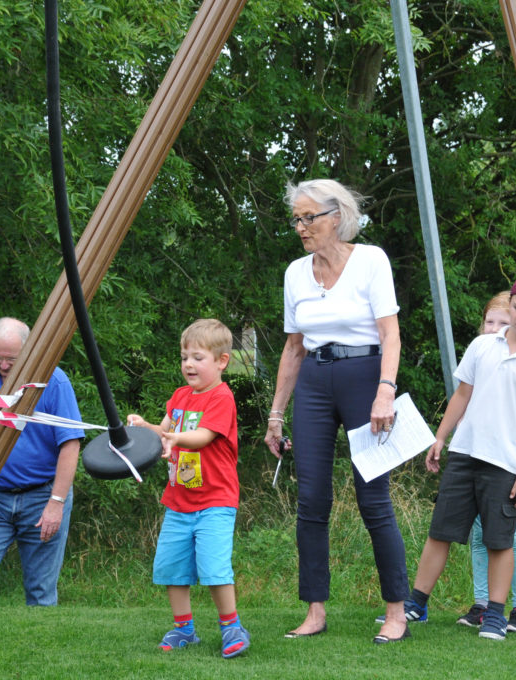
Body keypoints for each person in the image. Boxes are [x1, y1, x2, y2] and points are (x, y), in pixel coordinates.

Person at [263, 179, 410, 644]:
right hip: (313, 385)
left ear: (336, 217)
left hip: (365, 378)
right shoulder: (294, 273)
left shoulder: (371, 260)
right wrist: (275, 414)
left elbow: (391, 334)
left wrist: (385, 391)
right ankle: (315, 611)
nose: (301, 227)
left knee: (373, 500)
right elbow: (293, 347)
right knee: (311, 502)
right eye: (297, 219)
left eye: (309, 218)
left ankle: (396, 611)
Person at [403, 272, 516, 641]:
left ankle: (495, 615)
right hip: (464, 453)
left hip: (506, 465)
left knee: (499, 541)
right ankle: (416, 603)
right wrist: (441, 437)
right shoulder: (481, 346)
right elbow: (462, 395)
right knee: (440, 532)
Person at [126, 319, 249, 659]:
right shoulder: (179, 397)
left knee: (213, 567)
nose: (188, 365)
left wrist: (176, 438)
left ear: (222, 361)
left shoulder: (221, 399)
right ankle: (184, 630)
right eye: (184, 357)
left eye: (197, 357)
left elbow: (203, 436)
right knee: (172, 568)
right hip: (178, 503)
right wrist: (143, 427)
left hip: (215, 502)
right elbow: (162, 431)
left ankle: (231, 627)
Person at [0, 317, 84, 609]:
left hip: (41, 497)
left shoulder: (55, 382)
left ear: (29, 352)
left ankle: (40, 650)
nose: (2, 365)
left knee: (40, 590)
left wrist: (56, 503)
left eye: (10, 359)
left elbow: (70, 444)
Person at [456, 292, 516, 634]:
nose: (495, 328)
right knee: (478, 535)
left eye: (503, 323)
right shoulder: (479, 355)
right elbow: (463, 402)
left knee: (510, 535)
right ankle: (483, 603)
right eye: (490, 321)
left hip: (510, 465)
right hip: (475, 459)